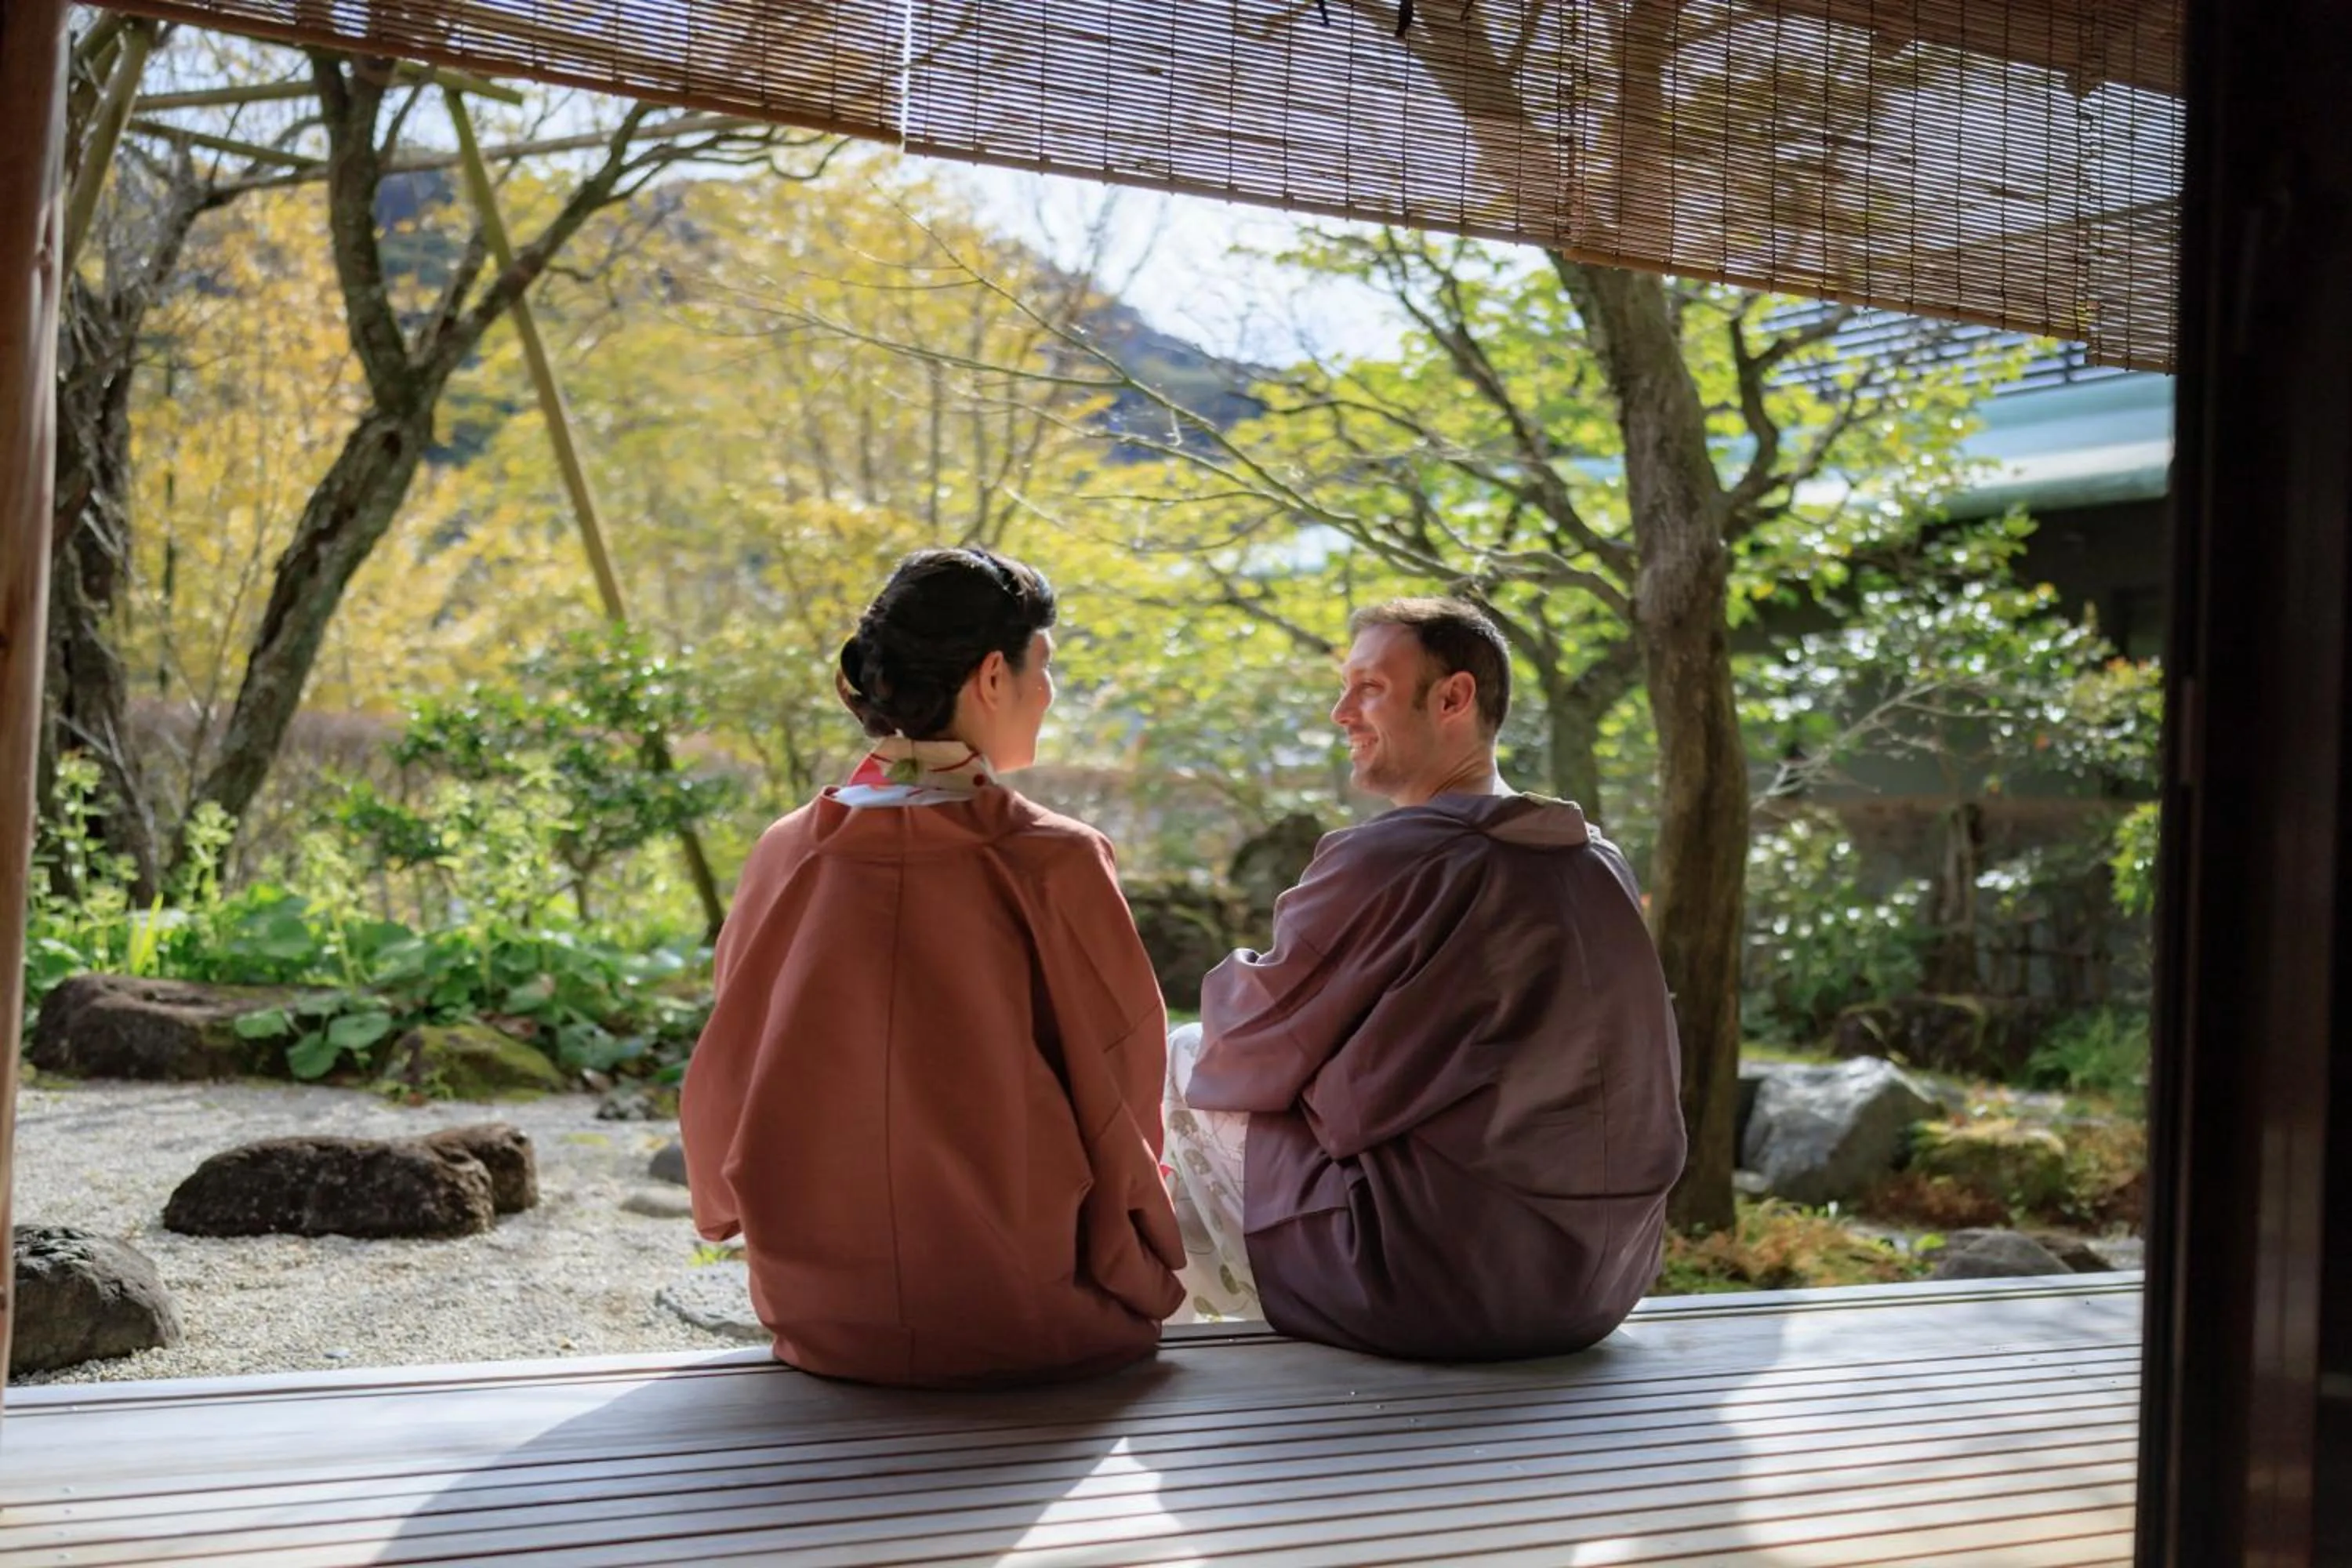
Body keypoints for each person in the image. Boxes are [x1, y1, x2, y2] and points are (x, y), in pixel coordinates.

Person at [682, 547, 1184, 1388]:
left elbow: (726, 1072)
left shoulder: (788, 850)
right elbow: (1124, 1079)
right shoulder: (1054, 858)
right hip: (1021, 1309)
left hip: (819, 1312)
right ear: (991, 676)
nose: (1048, 693)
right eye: (1043, 668)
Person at [1162, 597, 1686, 1359]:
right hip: (1602, 1283)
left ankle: (1174, 1354)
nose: (1342, 712)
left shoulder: (1395, 858)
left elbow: (1243, 1044)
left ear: (1453, 698)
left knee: (1183, 1055)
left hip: (1431, 1283)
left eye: (1369, 687)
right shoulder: (1595, 859)